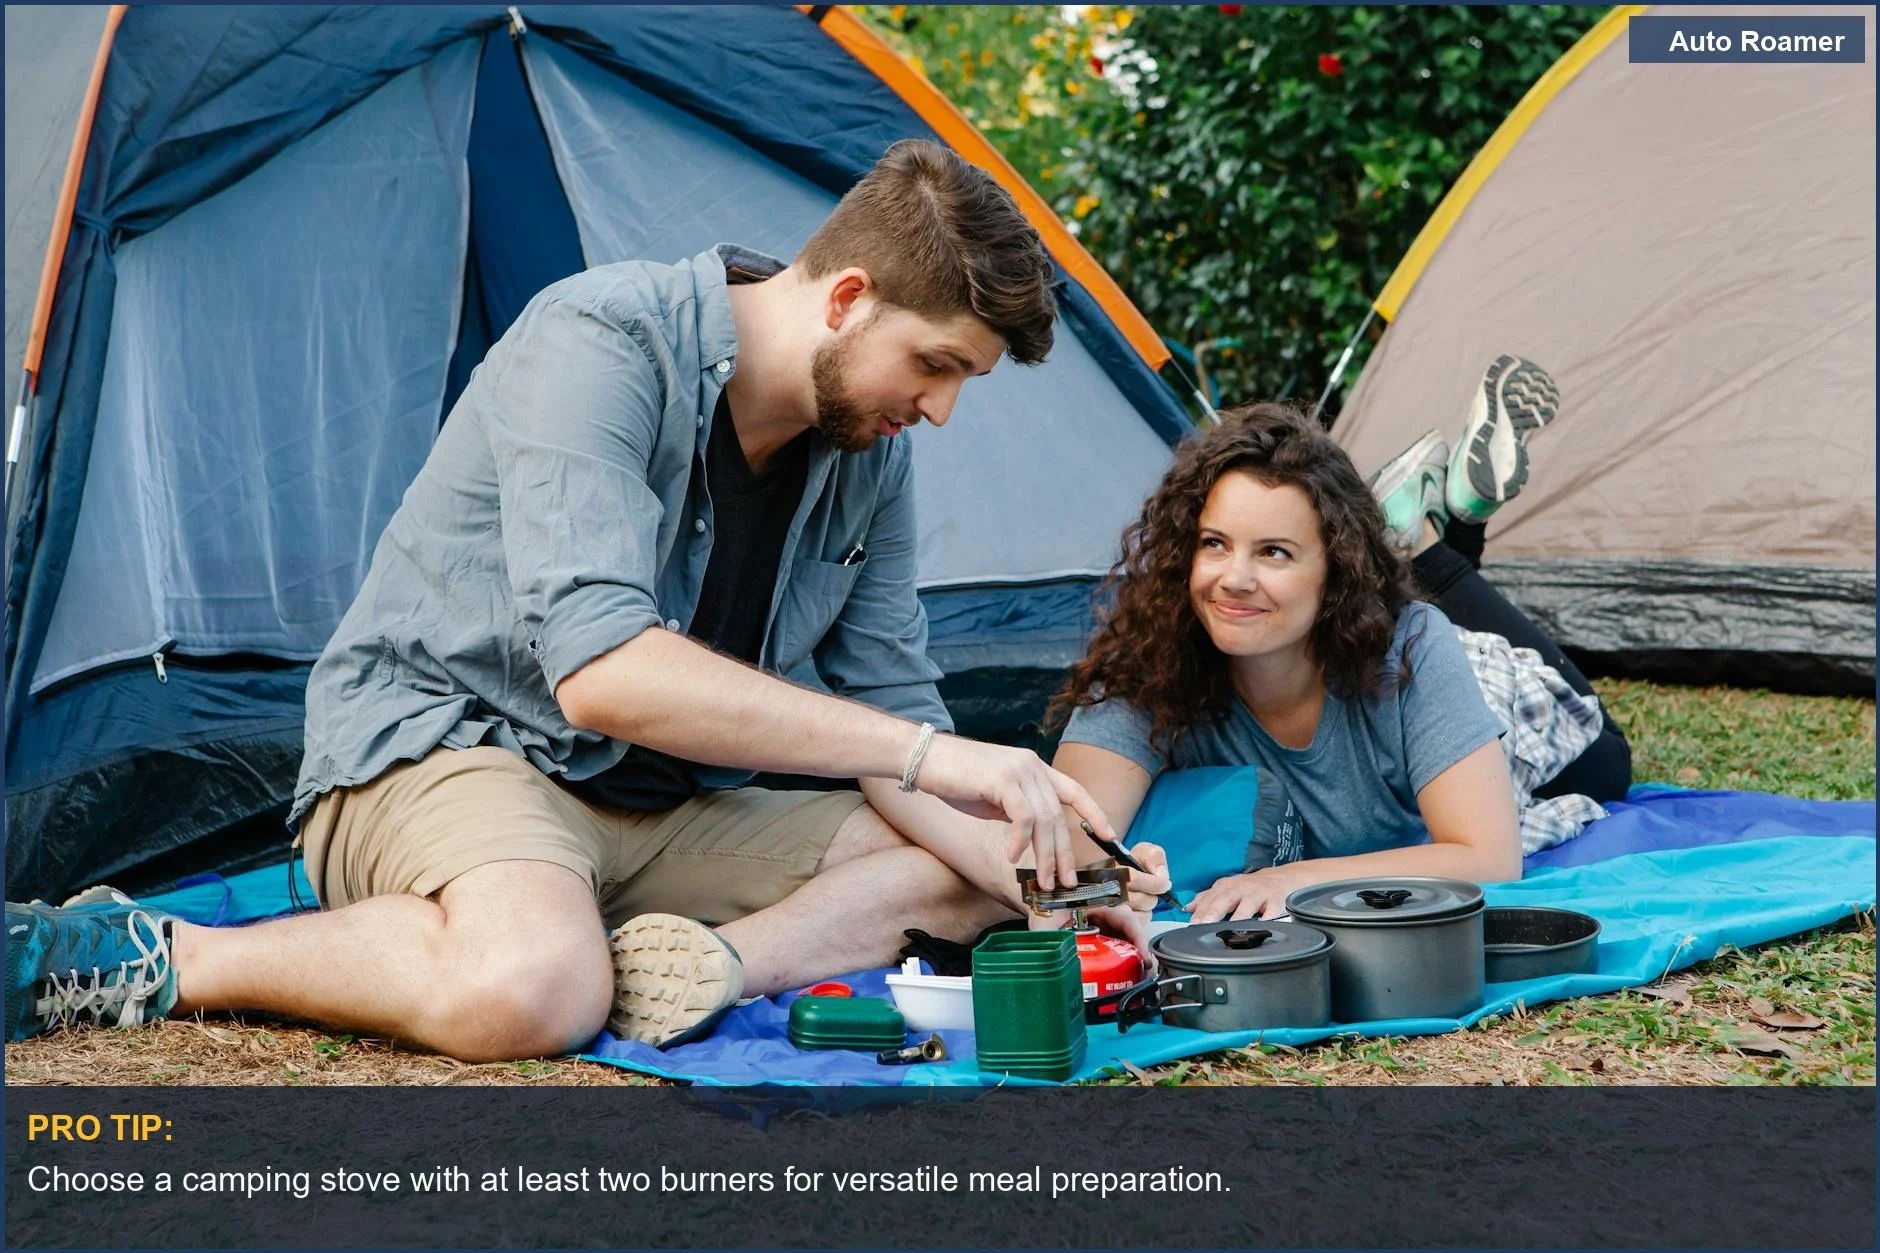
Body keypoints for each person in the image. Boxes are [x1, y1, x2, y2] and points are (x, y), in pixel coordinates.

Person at [6, 140, 1163, 1061]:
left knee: (975, 878)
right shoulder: (601, 339)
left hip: (671, 813)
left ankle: (705, 965)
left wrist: (1059, 863)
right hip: (450, 748)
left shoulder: (869, 452)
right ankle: (169, 949)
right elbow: (603, 666)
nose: (941, 409)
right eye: (936, 366)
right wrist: (930, 755)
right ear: (848, 297)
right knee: (532, 991)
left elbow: (891, 701)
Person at [1051, 361, 1626, 925]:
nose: (1234, 578)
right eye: (1214, 544)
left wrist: (1291, 879)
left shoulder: (1410, 647)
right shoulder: (1151, 660)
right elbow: (1062, 855)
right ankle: (1424, 525)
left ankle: (1425, 540)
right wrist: (1119, 884)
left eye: (1273, 551)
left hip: (1493, 692)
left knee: (1605, 762)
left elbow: (1490, 858)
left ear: (1336, 572)